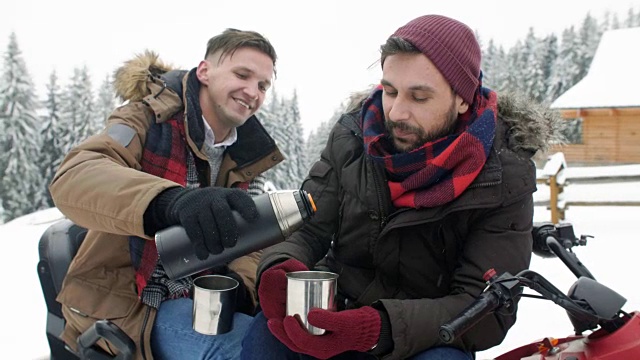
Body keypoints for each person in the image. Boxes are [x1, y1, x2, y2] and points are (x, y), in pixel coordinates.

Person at [241, 14, 561, 360]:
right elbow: (308, 228)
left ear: (463, 99)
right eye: (389, 91)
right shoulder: (352, 137)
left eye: (419, 98)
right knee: (266, 337)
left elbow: (486, 306)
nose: (396, 112)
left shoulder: (503, 174)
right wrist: (279, 266)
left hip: (426, 340)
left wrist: (379, 328)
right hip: (337, 313)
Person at [49, 28, 283, 360]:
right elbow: (75, 175)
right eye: (242, 74)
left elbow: (254, 242)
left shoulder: (249, 155)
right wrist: (167, 201)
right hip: (129, 296)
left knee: (280, 340)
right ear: (204, 71)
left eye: (263, 85)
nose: (252, 92)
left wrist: (239, 285)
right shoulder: (145, 118)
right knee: (245, 352)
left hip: (203, 295)